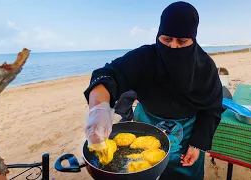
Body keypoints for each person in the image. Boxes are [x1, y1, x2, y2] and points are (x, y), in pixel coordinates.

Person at [84, 1, 223, 180]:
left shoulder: (205, 67)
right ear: (158, 36)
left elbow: (212, 108)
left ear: (193, 39)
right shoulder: (145, 58)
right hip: (145, 124)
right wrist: (99, 111)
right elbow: (107, 76)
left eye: (182, 41)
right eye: (167, 39)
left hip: (188, 132)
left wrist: (197, 145)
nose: (173, 47)